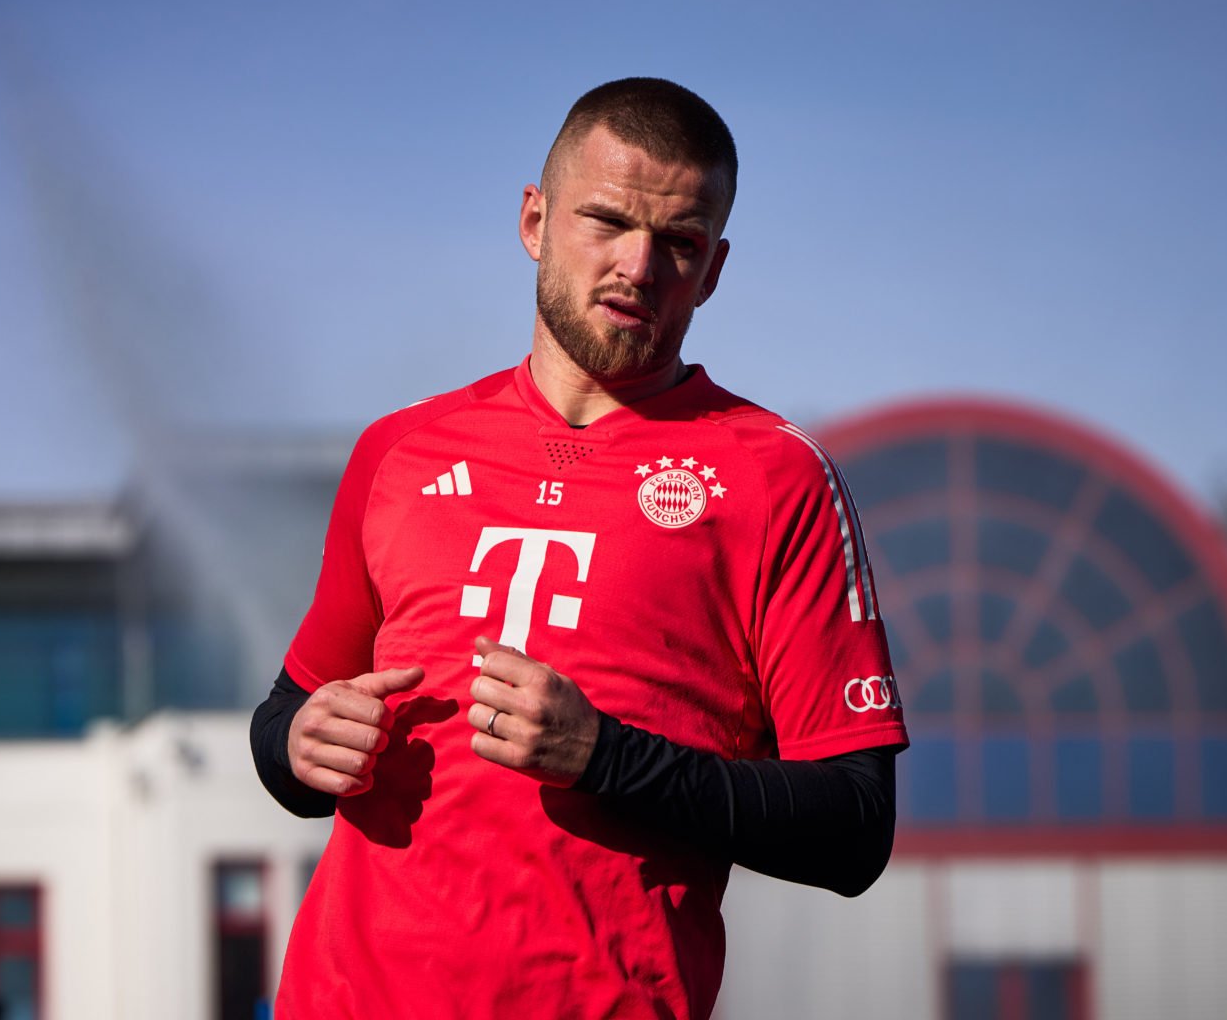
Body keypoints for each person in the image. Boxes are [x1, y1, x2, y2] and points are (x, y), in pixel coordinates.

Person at [251, 77, 908, 1020]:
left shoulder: (777, 477)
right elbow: (287, 715)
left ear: (714, 269)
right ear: (534, 219)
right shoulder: (398, 450)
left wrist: (606, 757)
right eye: (605, 221)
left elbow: (855, 828)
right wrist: (300, 744)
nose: (639, 267)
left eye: (679, 242)